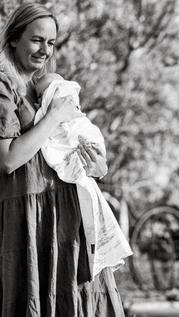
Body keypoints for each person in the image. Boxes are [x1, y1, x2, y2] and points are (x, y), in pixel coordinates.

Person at [0, 4, 138, 317]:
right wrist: (55, 120)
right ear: (15, 37)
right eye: (37, 39)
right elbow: (9, 158)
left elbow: (74, 143)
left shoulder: (51, 87)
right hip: (24, 212)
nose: (45, 49)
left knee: (89, 299)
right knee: (18, 306)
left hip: (65, 209)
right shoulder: (3, 83)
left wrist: (92, 157)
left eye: (52, 42)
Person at [33, 72, 132, 279]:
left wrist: (99, 166)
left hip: (73, 201)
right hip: (46, 203)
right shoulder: (16, 93)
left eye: (50, 42)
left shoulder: (65, 101)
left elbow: (96, 159)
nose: (44, 49)